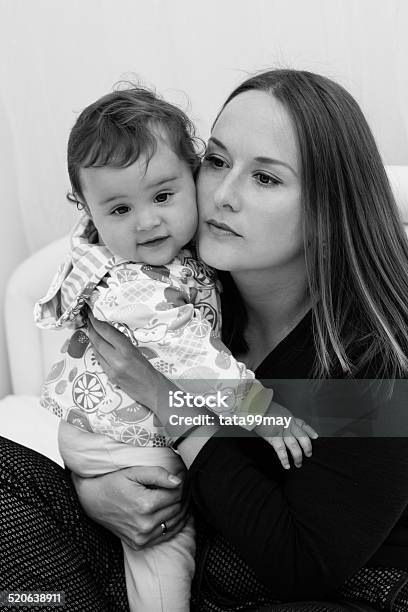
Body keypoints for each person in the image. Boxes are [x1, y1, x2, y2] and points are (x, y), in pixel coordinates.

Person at [1, 67, 408, 611]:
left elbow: (301, 565)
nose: (223, 194)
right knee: (27, 582)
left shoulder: (372, 355)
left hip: (318, 595)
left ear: (327, 205)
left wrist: (172, 404)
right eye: (215, 161)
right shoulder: (182, 292)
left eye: (266, 178)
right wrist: (97, 492)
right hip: (178, 571)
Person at [32, 85, 315, 612]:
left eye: (163, 196)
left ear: (190, 175)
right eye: (119, 209)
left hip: (130, 437)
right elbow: (191, 353)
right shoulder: (134, 289)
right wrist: (263, 413)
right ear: (90, 213)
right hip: (120, 443)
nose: (147, 222)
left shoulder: (184, 263)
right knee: (165, 556)